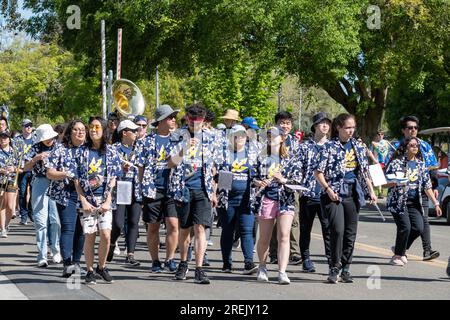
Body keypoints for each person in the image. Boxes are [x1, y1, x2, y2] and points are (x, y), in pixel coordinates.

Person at [314, 113, 377, 284]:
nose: (351, 131)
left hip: (352, 193)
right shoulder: (329, 147)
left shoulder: (358, 145)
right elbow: (318, 172)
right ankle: (334, 267)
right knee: (337, 230)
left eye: (353, 127)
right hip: (332, 194)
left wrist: (371, 190)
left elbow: (364, 171)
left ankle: (346, 268)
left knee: (350, 233)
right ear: (338, 128)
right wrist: (327, 189)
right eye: (347, 127)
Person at [168, 103, 218, 284]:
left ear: (203, 120)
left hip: (203, 189)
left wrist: (213, 191)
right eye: (191, 119)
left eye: (198, 120)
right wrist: (184, 149)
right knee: (184, 229)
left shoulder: (211, 137)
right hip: (183, 189)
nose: (194, 124)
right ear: (187, 118)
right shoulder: (176, 135)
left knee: (200, 228)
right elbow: (169, 163)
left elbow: (214, 167)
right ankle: (183, 263)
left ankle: (199, 268)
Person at [74, 116, 122, 284]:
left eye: (97, 127)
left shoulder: (111, 151)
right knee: (90, 235)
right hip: (87, 200)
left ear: (103, 130)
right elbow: (76, 179)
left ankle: (101, 267)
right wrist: (83, 201)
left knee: (106, 235)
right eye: (91, 127)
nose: (93, 130)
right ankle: (89, 270)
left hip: (104, 199)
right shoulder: (81, 151)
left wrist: (108, 200)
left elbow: (113, 178)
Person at [386, 116, 440, 261]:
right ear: (404, 130)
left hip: (421, 190)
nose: (413, 130)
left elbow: (431, 168)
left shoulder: (425, 146)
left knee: (422, 222)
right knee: (406, 226)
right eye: (410, 128)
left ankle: (424, 250)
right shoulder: (396, 148)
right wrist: (394, 181)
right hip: (400, 194)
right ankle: (400, 251)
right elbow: (386, 174)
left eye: (415, 128)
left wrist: (434, 189)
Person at [253, 126, 301, 285]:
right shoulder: (260, 157)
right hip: (267, 198)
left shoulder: (290, 158)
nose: (271, 139)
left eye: (274, 136)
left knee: (284, 235)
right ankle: (262, 266)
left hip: (285, 199)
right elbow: (251, 176)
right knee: (265, 238)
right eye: (268, 136)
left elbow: (298, 178)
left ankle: (282, 271)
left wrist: (284, 180)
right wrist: (258, 182)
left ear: (282, 138)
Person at [136, 104, 180, 273]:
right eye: (170, 117)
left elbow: (180, 163)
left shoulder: (177, 139)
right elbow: (140, 167)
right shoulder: (145, 142)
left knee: (173, 225)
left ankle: (170, 259)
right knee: (153, 227)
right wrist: (142, 188)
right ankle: (155, 261)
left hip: (172, 188)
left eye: (174, 117)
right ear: (161, 121)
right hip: (152, 189)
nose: (174, 120)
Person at [46, 120, 86, 277]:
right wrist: (65, 174)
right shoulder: (60, 149)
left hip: (85, 195)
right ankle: (67, 264)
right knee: (69, 227)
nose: (79, 132)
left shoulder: (89, 150)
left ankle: (77, 262)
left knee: (82, 230)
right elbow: (50, 172)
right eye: (76, 129)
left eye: (82, 129)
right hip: (65, 193)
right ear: (70, 132)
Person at [216, 124, 258, 274]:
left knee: (247, 230)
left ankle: (248, 262)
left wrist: (257, 182)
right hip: (227, 199)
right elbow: (217, 176)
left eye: (242, 135)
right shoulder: (224, 153)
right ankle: (227, 263)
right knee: (228, 230)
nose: (239, 138)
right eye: (236, 135)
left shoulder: (252, 154)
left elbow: (256, 175)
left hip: (246, 199)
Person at [297, 112, 332, 272]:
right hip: (308, 193)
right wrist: (298, 185)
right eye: (321, 123)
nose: (325, 126)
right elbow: (298, 168)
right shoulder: (305, 146)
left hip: (327, 194)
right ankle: (306, 258)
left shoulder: (333, 146)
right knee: (305, 228)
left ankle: (332, 260)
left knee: (329, 229)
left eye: (327, 123)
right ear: (315, 126)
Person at [23, 124, 61, 267]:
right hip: (39, 182)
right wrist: (35, 159)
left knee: (55, 219)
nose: (50, 140)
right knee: (40, 221)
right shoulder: (35, 148)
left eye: (51, 137)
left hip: (56, 183)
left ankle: (56, 250)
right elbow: (24, 167)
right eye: (46, 138)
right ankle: (42, 255)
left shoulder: (58, 147)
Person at [107, 120, 142, 267]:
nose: (136, 132)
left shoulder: (140, 148)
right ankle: (112, 242)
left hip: (136, 187)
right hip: (120, 188)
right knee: (118, 223)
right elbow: (109, 169)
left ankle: (130, 254)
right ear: (124, 133)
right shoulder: (113, 149)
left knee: (134, 222)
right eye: (133, 130)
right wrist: (121, 169)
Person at [269, 111, 301, 265]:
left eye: (288, 123)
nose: (285, 126)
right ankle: (274, 252)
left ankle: (294, 252)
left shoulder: (295, 143)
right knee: (274, 220)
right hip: (273, 186)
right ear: (276, 124)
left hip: (290, 185)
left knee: (293, 219)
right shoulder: (269, 140)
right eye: (282, 123)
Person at [0, 130, 20, 238]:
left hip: (12, 180)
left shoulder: (15, 152)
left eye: (5, 137)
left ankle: (6, 225)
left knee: (9, 205)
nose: (3, 139)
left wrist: (14, 169)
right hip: (0, 180)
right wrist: (1, 170)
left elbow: (22, 168)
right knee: (1, 203)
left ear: (9, 139)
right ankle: (2, 228)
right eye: (1, 137)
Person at [14, 119, 35, 225]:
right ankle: (23, 215)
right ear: (22, 127)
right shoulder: (17, 140)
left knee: (33, 192)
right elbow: (14, 155)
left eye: (30, 126)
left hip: (33, 170)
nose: (28, 128)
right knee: (22, 193)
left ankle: (31, 213)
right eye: (26, 126)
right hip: (22, 170)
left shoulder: (36, 139)